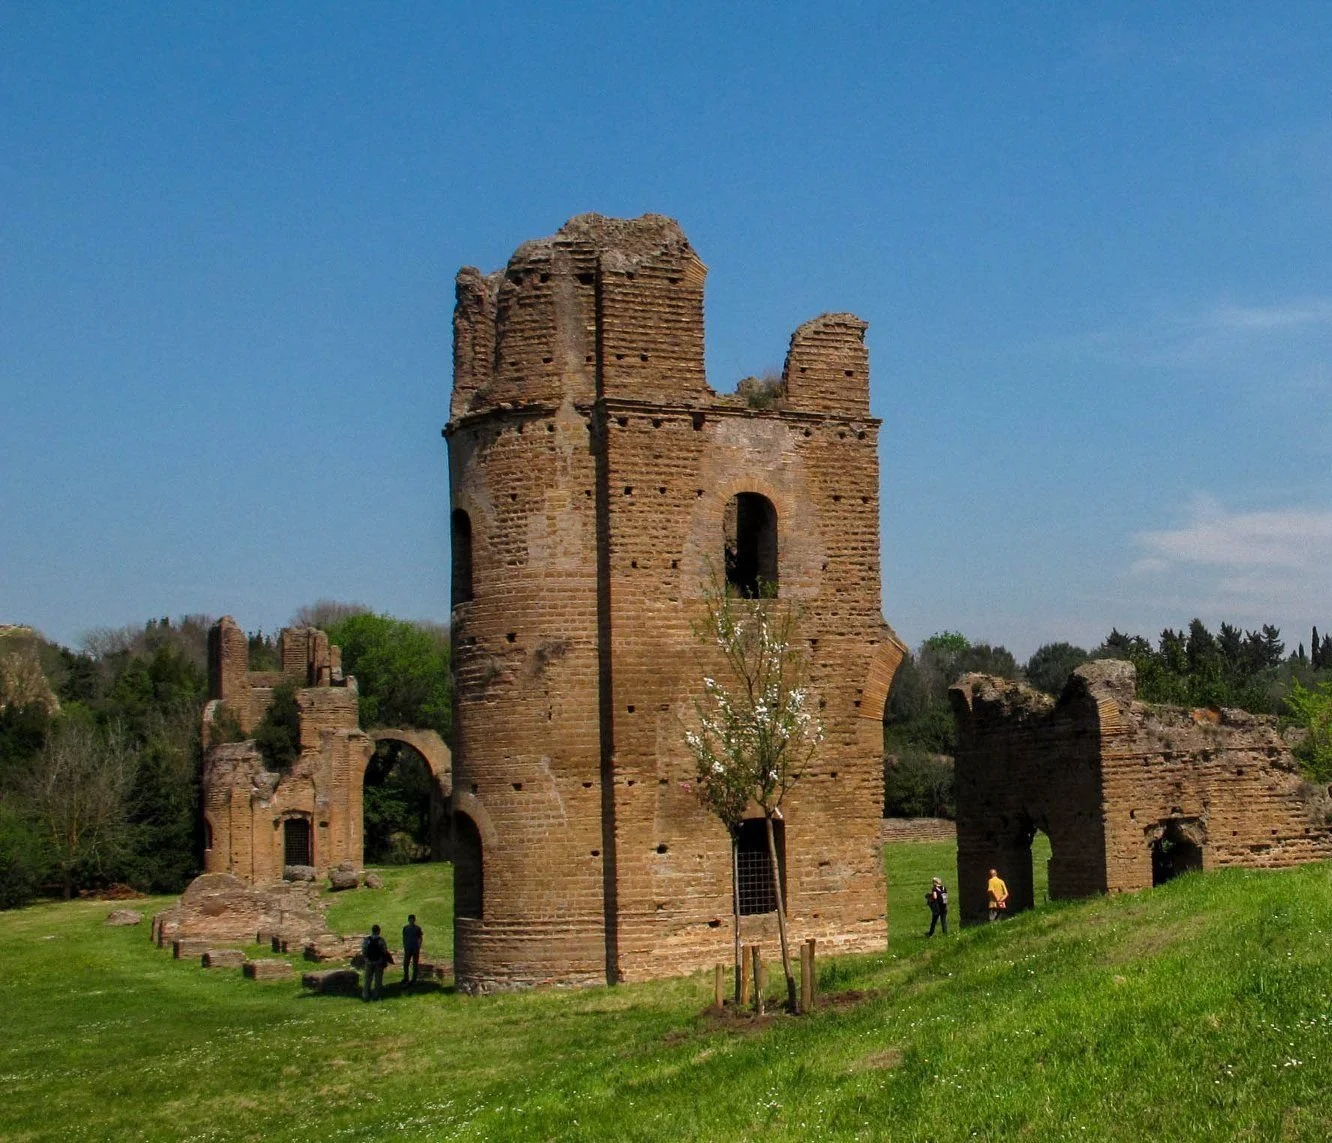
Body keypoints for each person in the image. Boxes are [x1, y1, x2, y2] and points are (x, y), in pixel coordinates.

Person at [361, 924, 391, 1000]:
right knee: (378, 980)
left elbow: (364, 950)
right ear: (378, 931)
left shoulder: (367, 940)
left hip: (369, 962)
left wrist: (366, 959)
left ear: (372, 931)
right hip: (378, 962)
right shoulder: (381, 940)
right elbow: (384, 950)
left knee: (367, 979)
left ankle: (366, 995)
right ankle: (376, 995)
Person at [401, 914, 424, 986]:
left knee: (415, 964)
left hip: (415, 948)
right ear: (408, 920)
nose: (411, 921)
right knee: (406, 964)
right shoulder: (405, 928)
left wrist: (419, 946)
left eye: (412, 919)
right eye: (410, 919)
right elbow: (404, 937)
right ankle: (406, 978)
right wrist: (405, 945)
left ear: (414, 920)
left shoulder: (417, 928)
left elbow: (420, 938)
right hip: (408, 948)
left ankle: (414, 979)